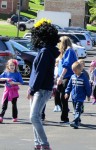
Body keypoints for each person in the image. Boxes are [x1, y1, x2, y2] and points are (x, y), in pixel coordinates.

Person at [27, 18, 60, 150]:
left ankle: (45, 145)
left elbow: (40, 73)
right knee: (36, 118)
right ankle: (37, 144)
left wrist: (32, 89)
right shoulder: (46, 51)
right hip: (37, 88)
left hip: (41, 89)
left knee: (34, 117)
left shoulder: (45, 52)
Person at [57, 36, 78, 124]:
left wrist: (61, 77)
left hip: (68, 77)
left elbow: (67, 65)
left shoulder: (69, 51)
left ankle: (65, 118)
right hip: (62, 77)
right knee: (59, 97)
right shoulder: (64, 52)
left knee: (64, 97)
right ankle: (66, 114)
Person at [65, 62, 91, 129]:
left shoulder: (84, 78)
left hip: (81, 97)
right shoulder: (72, 77)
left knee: (77, 109)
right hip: (73, 96)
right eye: (73, 70)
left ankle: (75, 123)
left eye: (75, 70)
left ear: (80, 70)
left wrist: (88, 95)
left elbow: (87, 87)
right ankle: (78, 119)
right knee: (75, 109)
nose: (74, 72)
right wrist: (67, 92)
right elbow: (69, 86)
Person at [0, 59, 23, 123]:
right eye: (10, 65)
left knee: (14, 104)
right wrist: (6, 79)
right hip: (7, 91)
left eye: (13, 65)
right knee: (5, 104)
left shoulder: (17, 74)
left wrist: (14, 83)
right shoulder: (5, 73)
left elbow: (21, 82)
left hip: (14, 91)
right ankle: (1, 116)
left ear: (15, 66)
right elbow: (0, 78)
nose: (12, 66)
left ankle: (15, 117)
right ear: (8, 66)